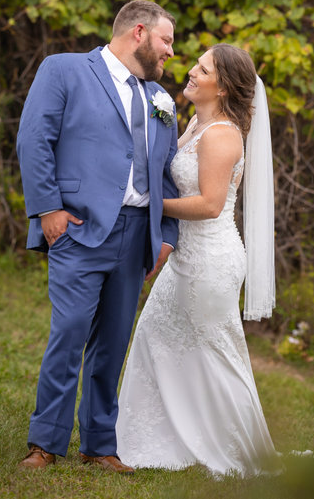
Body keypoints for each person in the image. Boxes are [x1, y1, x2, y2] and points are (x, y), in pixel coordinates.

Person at [16, 0, 179, 474]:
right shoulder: (64, 70)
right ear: (139, 32)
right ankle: (45, 442)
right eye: (166, 40)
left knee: (113, 344)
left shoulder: (161, 100)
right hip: (79, 229)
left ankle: (100, 445)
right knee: (69, 334)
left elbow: (168, 176)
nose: (171, 51)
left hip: (137, 237)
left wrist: (165, 237)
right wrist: (48, 209)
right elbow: (34, 139)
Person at [116, 43, 279, 477]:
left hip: (211, 260)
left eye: (203, 70)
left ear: (222, 88)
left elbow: (209, 205)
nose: (190, 70)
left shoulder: (222, 135)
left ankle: (237, 449)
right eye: (197, 64)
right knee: (155, 335)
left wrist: (148, 204)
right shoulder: (195, 123)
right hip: (187, 257)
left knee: (215, 351)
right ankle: (160, 435)